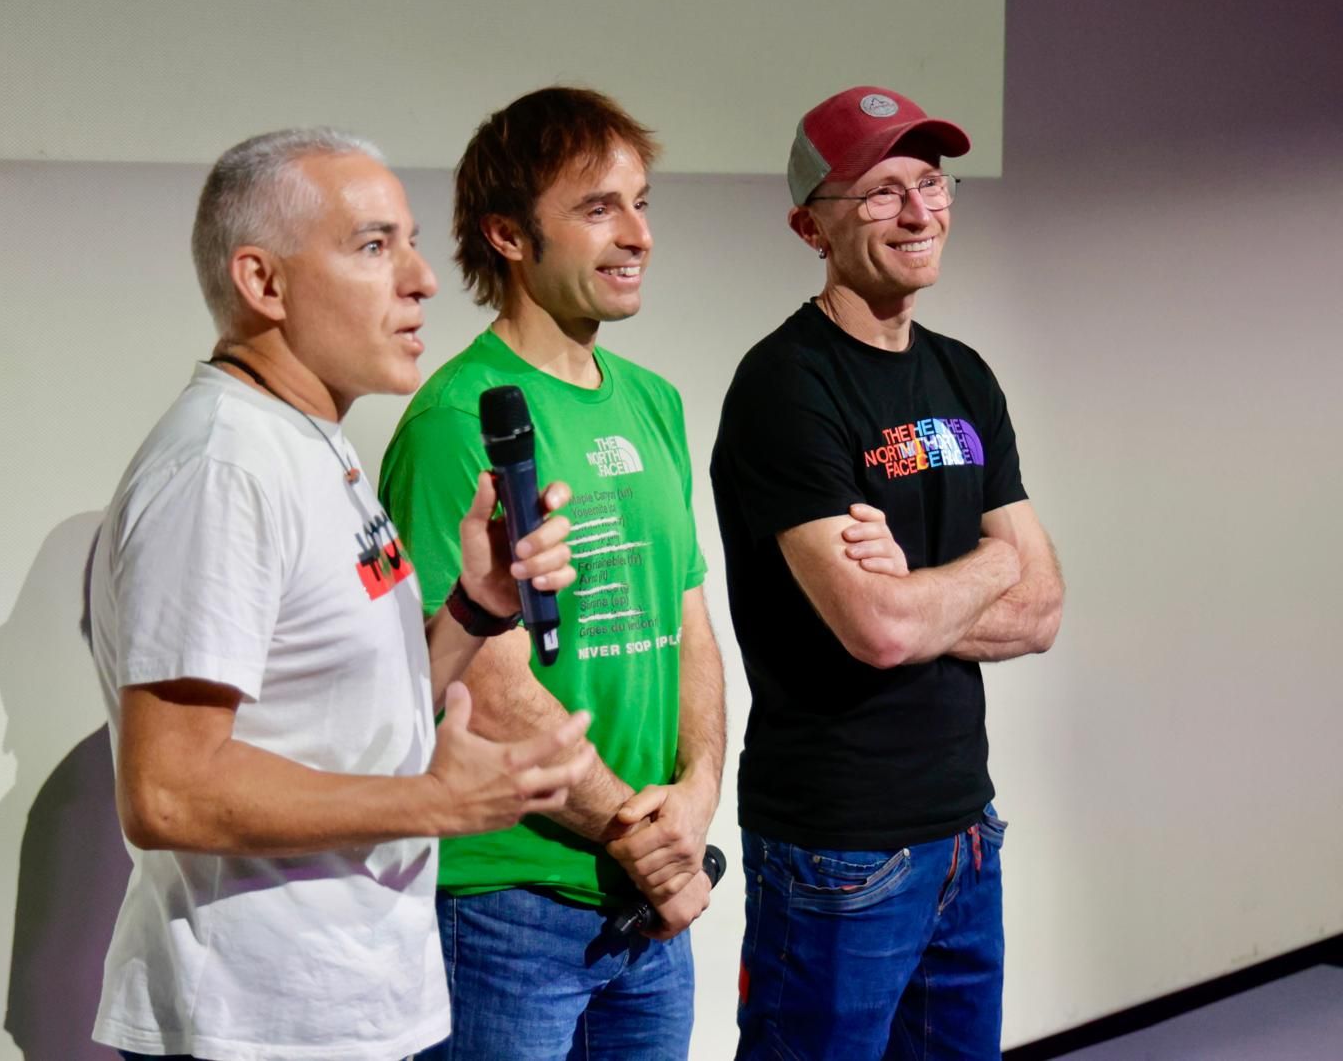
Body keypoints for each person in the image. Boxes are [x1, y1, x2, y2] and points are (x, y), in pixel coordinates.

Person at [85, 127, 596, 1061]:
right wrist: (438, 803)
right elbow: (167, 790)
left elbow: (353, 709)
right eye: (373, 246)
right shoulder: (222, 466)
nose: (422, 279)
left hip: (343, 1007)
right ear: (263, 283)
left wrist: (477, 608)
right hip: (252, 1025)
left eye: (408, 241)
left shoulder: (309, 441)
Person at [711, 86, 1065, 1059]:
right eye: (877, 193)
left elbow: (1040, 609)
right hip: (838, 847)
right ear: (807, 226)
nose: (916, 212)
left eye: (928, 183)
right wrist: (986, 563)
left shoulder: (962, 374)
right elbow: (881, 629)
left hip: (963, 832)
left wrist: (913, 594)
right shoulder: (787, 385)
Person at [379, 87, 725, 1058]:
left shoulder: (653, 401)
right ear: (508, 236)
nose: (636, 235)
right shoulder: (458, 419)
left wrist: (693, 798)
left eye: (641, 203)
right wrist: (640, 835)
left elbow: (691, 623)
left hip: (648, 904)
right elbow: (481, 683)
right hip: (507, 909)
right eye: (597, 207)